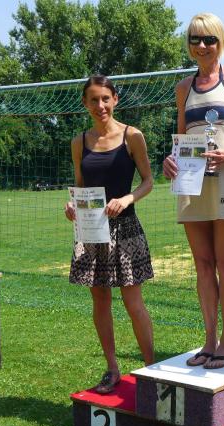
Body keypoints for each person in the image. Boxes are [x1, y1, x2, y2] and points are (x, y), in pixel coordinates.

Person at [162, 13, 224, 370]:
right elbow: (181, 137)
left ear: (221, 41)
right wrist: (170, 160)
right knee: (203, 265)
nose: (202, 46)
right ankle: (208, 340)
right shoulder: (183, 87)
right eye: (196, 39)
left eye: (209, 39)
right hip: (192, 185)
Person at [64, 75, 155, 394]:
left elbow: (148, 181)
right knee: (100, 300)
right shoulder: (79, 142)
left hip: (126, 229)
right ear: (85, 103)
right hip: (92, 231)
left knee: (133, 302)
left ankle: (151, 371)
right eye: (93, 99)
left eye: (105, 98)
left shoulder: (133, 136)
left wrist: (128, 198)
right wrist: (72, 205)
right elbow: (80, 185)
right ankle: (112, 368)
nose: (100, 105)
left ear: (115, 99)